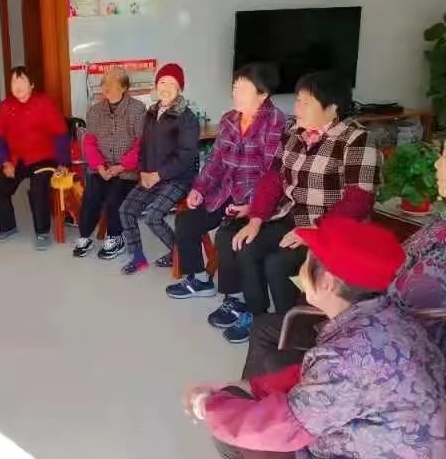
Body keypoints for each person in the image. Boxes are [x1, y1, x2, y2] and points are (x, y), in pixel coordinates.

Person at [184, 217, 446, 459]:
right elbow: (316, 376)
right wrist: (249, 387)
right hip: (391, 440)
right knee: (238, 401)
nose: (300, 270)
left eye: (306, 262)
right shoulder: (387, 318)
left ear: (328, 282)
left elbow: (285, 428)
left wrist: (207, 406)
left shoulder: (348, 356)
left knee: (236, 438)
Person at [242, 138, 446, 379]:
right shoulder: (439, 224)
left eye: (444, 155)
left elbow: (409, 306)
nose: (437, 164)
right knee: (265, 323)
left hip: (383, 346)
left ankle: (257, 396)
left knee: (273, 343)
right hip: (369, 319)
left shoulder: (438, 253)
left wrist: (338, 300)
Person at [208, 71, 381, 343]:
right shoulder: (293, 132)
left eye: (305, 102)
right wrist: (256, 218)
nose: (297, 108)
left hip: (332, 226)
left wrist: (313, 229)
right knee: (245, 244)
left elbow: (358, 200)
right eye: (298, 100)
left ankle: (294, 330)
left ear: (331, 108)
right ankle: (257, 316)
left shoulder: (356, 139)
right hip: (291, 214)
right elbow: (273, 178)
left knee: (278, 263)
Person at [166, 63, 286, 299]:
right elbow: (216, 160)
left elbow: (272, 174)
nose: (235, 94)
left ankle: (236, 299)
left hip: (254, 200)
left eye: (243, 90)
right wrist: (199, 189)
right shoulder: (230, 119)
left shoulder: (277, 123)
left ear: (262, 94)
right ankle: (199, 279)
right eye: (234, 88)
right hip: (224, 192)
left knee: (228, 237)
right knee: (186, 220)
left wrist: (254, 206)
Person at [119, 63, 200, 275]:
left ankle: (179, 254)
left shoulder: (187, 117)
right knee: (126, 210)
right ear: (156, 86)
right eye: (162, 82)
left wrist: (158, 175)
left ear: (180, 89)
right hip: (150, 176)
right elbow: (143, 146)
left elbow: (186, 155)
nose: (166, 87)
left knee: (153, 216)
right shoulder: (151, 112)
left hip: (178, 180)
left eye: (172, 84)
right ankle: (137, 257)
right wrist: (143, 173)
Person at [0, 66, 70, 250]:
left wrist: (63, 162)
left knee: (38, 187)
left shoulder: (44, 103)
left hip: (44, 157)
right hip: (17, 159)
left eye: (22, 81)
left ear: (31, 84)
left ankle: (42, 232)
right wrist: (5, 162)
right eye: (14, 81)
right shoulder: (5, 107)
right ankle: (8, 227)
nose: (17, 85)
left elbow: (61, 134)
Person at [73, 67, 146, 260]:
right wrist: (99, 166)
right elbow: (89, 143)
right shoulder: (95, 111)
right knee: (91, 194)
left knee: (115, 197)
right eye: (104, 82)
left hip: (127, 170)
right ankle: (84, 235)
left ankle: (116, 237)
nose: (105, 87)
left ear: (124, 87)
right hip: (101, 168)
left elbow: (141, 144)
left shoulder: (137, 109)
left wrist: (122, 166)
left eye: (111, 83)